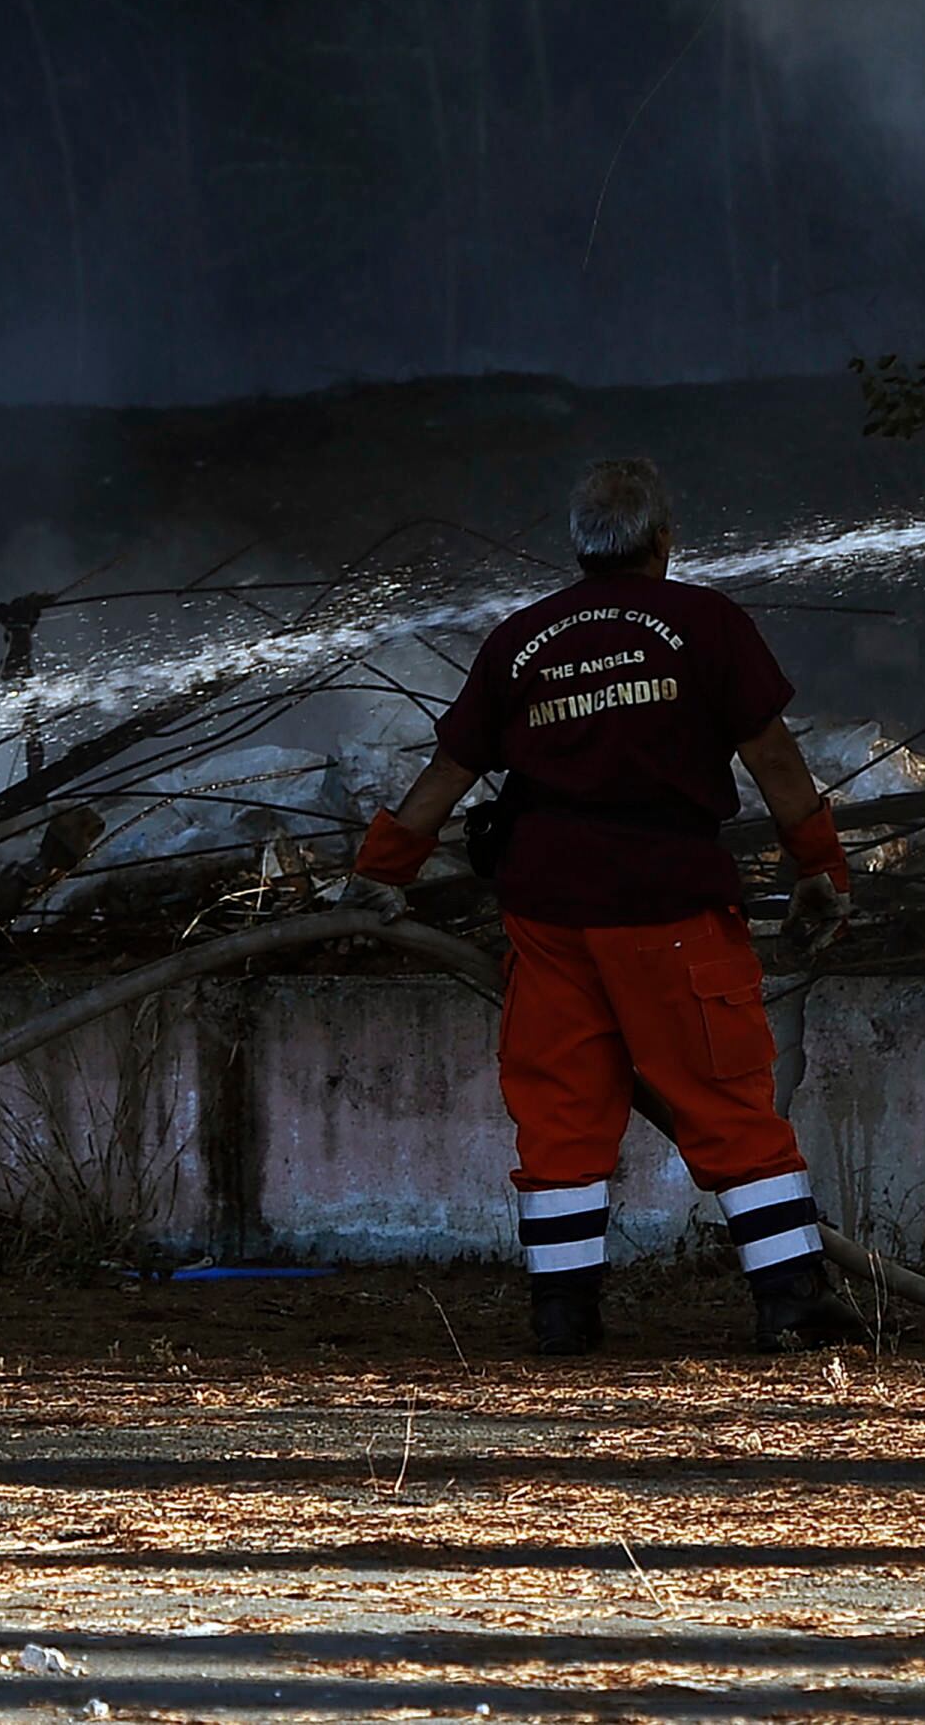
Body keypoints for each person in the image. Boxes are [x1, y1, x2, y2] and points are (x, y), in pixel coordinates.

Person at [344, 458, 871, 1357]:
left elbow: (447, 774)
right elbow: (776, 763)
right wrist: (820, 866)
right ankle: (790, 1305)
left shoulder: (520, 639)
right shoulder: (706, 622)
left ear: (580, 549)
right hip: (669, 907)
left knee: (560, 1111)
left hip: (549, 914)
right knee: (724, 1094)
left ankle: (563, 1319)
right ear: (665, 543)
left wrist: (382, 870)